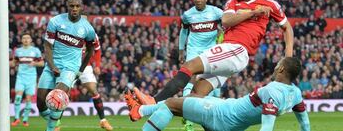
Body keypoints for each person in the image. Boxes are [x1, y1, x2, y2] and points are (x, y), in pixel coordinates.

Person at [130, 0, 294, 107]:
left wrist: (288, 58)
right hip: (229, 53)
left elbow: (287, 28)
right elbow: (226, 20)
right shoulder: (233, 0)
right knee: (195, 96)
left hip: (236, 50)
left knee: (190, 66)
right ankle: (145, 111)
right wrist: (252, 12)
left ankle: (153, 101)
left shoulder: (270, 5)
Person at [126, 57, 311, 131]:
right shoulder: (295, 93)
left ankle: (141, 111)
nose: (275, 66)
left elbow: (267, 128)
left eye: (278, 64)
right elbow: (305, 123)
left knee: (171, 104)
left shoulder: (272, 91)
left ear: (282, 69)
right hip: (231, 120)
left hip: (222, 115)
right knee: (191, 98)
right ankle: (141, 110)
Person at [36, 0, 97, 131]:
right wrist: (52, 66)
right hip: (52, 65)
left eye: (77, 6)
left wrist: (80, 71)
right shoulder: (55, 21)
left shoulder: (87, 28)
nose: (74, 8)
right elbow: (47, 46)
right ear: (67, 6)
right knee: (40, 103)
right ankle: (55, 121)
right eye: (72, 6)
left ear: (82, 8)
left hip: (70, 68)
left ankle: (51, 128)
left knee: (58, 94)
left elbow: (90, 50)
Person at [178, 0, 223, 131]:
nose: (198, 0)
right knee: (190, 78)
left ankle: (214, 116)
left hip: (211, 51)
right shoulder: (188, 15)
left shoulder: (216, 12)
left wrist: (222, 36)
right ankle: (187, 117)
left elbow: (228, 23)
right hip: (193, 50)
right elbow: (183, 32)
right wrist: (181, 50)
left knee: (214, 85)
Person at [55, 34, 113, 131]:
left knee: (93, 91)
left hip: (86, 65)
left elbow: (97, 49)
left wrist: (97, 65)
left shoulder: (91, 34)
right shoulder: (69, 31)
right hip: (70, 65)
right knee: (64, 93)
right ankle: (56, 124)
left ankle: (103, 121)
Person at [11, 33, 44, 127]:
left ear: (31, 40)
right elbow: (14, 62)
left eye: (27, 38)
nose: (26, 40)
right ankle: (16, 118)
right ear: (21, 40)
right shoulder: (18, 51)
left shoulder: (35, 50)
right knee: (18, 98)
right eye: (24, 38)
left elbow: (42, 63)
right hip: (20, 77)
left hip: (31, 77)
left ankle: (25, 119)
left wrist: (35, 64)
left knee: (28, 99)